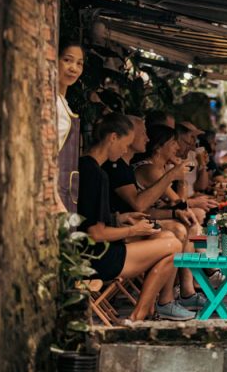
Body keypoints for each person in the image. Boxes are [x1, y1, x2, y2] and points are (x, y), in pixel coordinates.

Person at [77, 113, 193, 321]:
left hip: (94, 250)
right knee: (173, 245)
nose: (124, 150)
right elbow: (95, 232)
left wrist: (120, 219)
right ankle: (142, 311)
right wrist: (134, 230)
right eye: (125, 143)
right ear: (113, 137)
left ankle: (146, 309)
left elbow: (87, 218)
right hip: (96, 258)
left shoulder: (89, 167)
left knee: (170, 241)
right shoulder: (95, 173)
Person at [105, 116, 205, 310]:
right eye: (142, 133)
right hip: (118, 238)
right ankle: (168, 299)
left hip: (130, 227)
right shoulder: (123, 169)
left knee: (181, 225)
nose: (147, 138)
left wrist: (177, 183)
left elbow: (161, 207)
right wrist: (174, 176)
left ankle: (174, 295)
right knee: (176, 234)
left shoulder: (124, 167)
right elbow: (141, 205)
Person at [56, 39, 84, 213]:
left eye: (79, 63)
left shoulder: (63, 103)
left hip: (66, 190)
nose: (74, 68)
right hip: (54, 190)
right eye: (67, 60)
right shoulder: (52, 102)